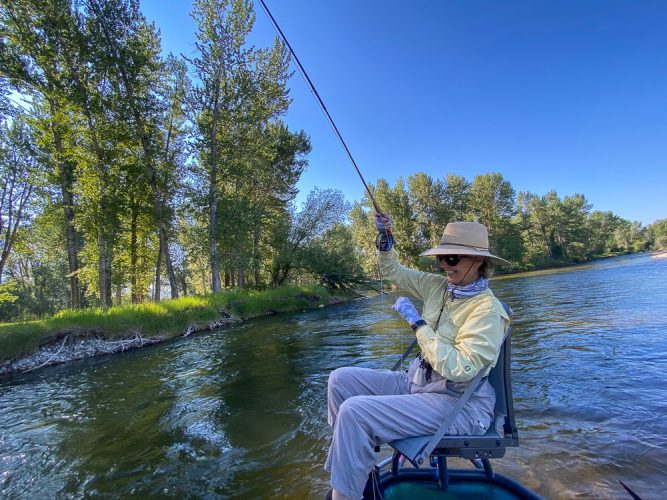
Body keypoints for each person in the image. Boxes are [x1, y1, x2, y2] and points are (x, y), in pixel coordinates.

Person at [324, 215, 511, 500]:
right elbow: (393, 271)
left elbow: (460, 368)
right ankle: (359, 477)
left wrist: (418, 324)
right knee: (340, 381)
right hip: (418, 382)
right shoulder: (436, 286)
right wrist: (385, 239)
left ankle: (345, 495)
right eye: (440, 259)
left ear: (478, 262)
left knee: (355, 411)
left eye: (451, 259)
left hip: (457, 403)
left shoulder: (487, 311)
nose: (442, 265)